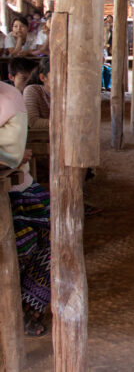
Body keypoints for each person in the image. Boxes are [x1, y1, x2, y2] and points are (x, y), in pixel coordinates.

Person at [0, 81, 51, 336]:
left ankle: (26, 306)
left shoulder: (8, 98)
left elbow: (11, 156)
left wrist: (11, 158)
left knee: (44, 234)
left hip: (15, 192)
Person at [23, 58, 50, 129]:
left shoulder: (70, 93)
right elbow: (33, 122)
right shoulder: (32, 90)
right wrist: (67, 123)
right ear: (43, 77)